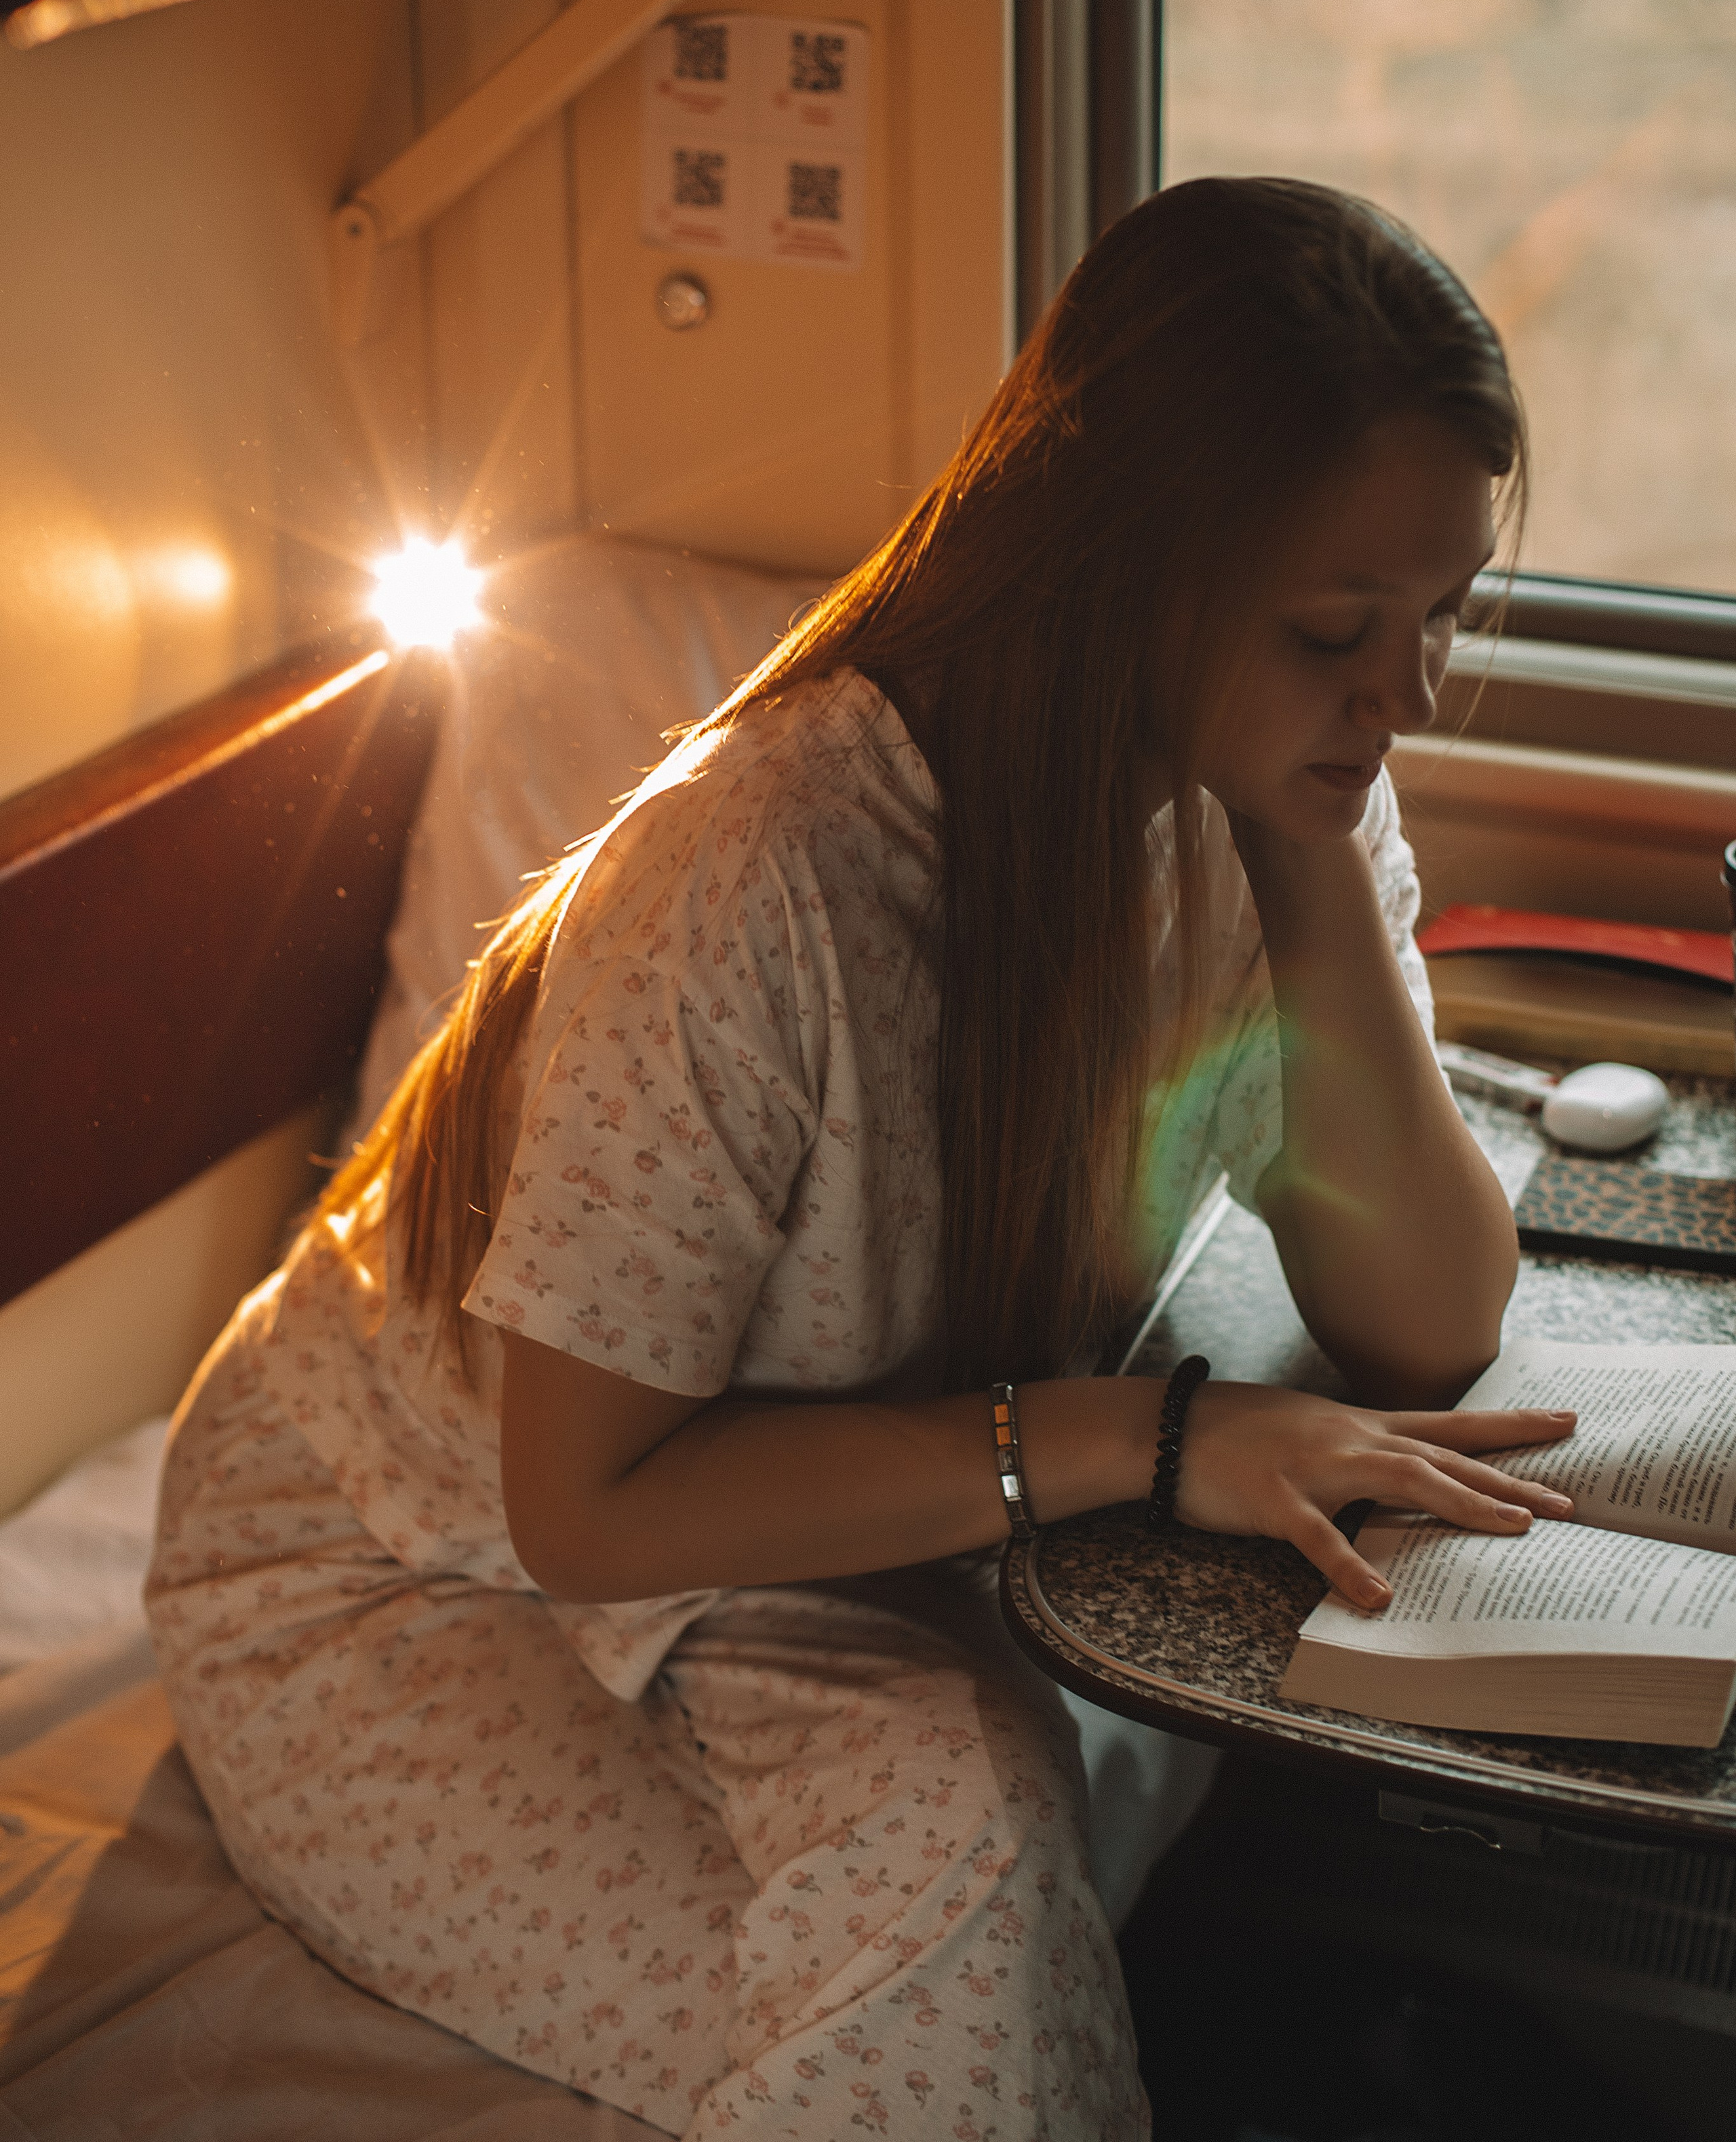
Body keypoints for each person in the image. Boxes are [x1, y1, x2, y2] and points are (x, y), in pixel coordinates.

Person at [146, 178, 1577, 2140]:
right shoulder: (763, 874)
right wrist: (1144, 1440)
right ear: (1121, 571)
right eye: (1338, 626)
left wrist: (1310, 853)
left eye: (1442, 620)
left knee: (962, 1800)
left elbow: (1430, 1319)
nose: (1403, 696)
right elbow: (587, 1512)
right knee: (952, 1853)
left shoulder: (1268, 789)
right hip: (415, 1556)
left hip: (751, 1517)